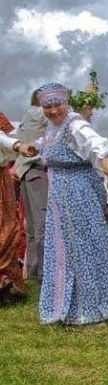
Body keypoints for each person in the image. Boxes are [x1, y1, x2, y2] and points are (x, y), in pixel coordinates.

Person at [35, 83, 108, 325]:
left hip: (79, 193)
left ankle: (92, 309)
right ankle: (66, 304)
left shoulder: (75, 125)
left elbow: (93, 142)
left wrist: (105, 160)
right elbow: (41, 148)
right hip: (60, 196)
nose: (53, 111)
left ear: (67, 103)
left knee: (84, 246)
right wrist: (20, 146)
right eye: (48, 106)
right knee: (65, 248)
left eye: (57, 105)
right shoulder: (52, 130)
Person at [13, 91, 49, 283]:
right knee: (41, 221)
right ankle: (44, 270)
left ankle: (35, 268)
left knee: (34, 225)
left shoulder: (27, 116)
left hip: (26, 171)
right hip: (35, 170)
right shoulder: (38, 113)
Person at [0, 114, 34, 305]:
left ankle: (5, 286)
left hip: (3, 176)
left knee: (9, 229)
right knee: (5, 231)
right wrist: (18, 146)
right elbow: (4, 138)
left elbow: (7, 135)